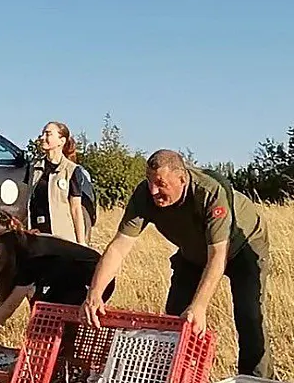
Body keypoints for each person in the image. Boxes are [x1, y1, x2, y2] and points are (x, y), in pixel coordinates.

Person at [81, 150, 272, 378]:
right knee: (175, 318)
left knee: (248, 316)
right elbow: (119, 246)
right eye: (150, 181)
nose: (153, 190)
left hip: (242, 246)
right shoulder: (144, 195)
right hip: (193, 252)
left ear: (182, 178)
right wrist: (94, 293)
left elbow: (218, 256)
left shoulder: (210, 192)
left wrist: (199, 306)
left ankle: (257, 379)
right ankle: (179, 375)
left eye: (160, 183)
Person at [0, 211, 115, 355]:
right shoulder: (26, 247)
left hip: (95, 279)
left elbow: (10, 305)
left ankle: (57, 360)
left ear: (9, 243)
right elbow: (4, 301)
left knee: (46, 316)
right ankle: (59, 357)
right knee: (44, 311)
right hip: (72, 278)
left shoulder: (29, 255)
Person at [27, 121, 97, 245]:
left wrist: (81, 243)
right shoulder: (33, 168)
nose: (42, 138)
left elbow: (76, 209)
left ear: (61, 141)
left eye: (48, 134)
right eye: (42, 134)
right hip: (37, 237)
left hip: (62, 239)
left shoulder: (72, 170)